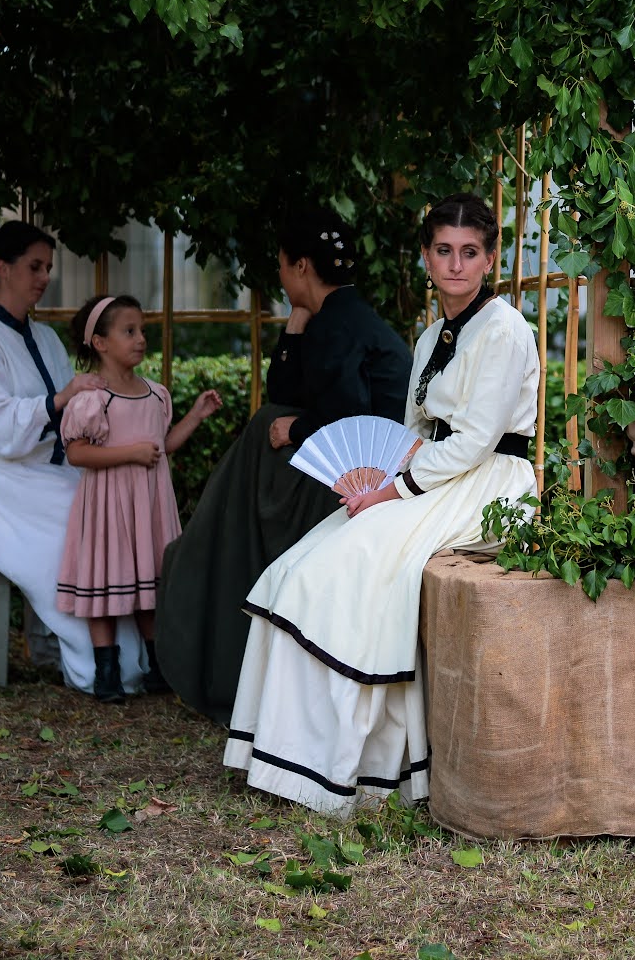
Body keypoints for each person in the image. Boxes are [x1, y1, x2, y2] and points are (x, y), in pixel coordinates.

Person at [223, 193, 538, 813]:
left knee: (357, 561)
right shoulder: (429, 338)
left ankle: (357, 763)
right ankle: (302, 755)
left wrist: (394, 490)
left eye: (469, 252)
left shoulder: (504, 328)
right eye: (443, 251)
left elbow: (474, 442)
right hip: (431, 475)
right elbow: (413, 432)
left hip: (488, 481)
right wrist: (379, 473)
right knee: (303, 563)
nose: (455, 265)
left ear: (490, 258)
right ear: (426, 257)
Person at [153, 208, 412, 723]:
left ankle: (217, 573)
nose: (279, 276)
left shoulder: (340, 323)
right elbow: (289, 392)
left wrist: (293, 429)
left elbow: (345, 410)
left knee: (264, 434)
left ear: (298, 265)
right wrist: (296, 324)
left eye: (280, 265)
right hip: (352, 471)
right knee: (263, 428)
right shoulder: (337, 316)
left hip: (365, 481)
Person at [0, 220, 148, 696]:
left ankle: (127, 658)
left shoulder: (47, 338)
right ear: (2, 268)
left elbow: (73, 414)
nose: (44, 277)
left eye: (48, 268)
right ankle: (96, 663)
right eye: (34, 266)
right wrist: (60, 400)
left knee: (103, 509)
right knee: (75, 520)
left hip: (40, 469)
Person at [57, 293, 224, 701]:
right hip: (109, 506)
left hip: (148, 504)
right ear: (99, 342)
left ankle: (157, 668)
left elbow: (161, 446)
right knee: (106, 587)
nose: (140, 339)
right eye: (128, 331)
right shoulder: (93, 401)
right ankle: (106, 673)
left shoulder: (154, 394)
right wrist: (128, 454)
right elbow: (76, 453)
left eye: (142, 331)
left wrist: (195, 416)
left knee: (149, 588)